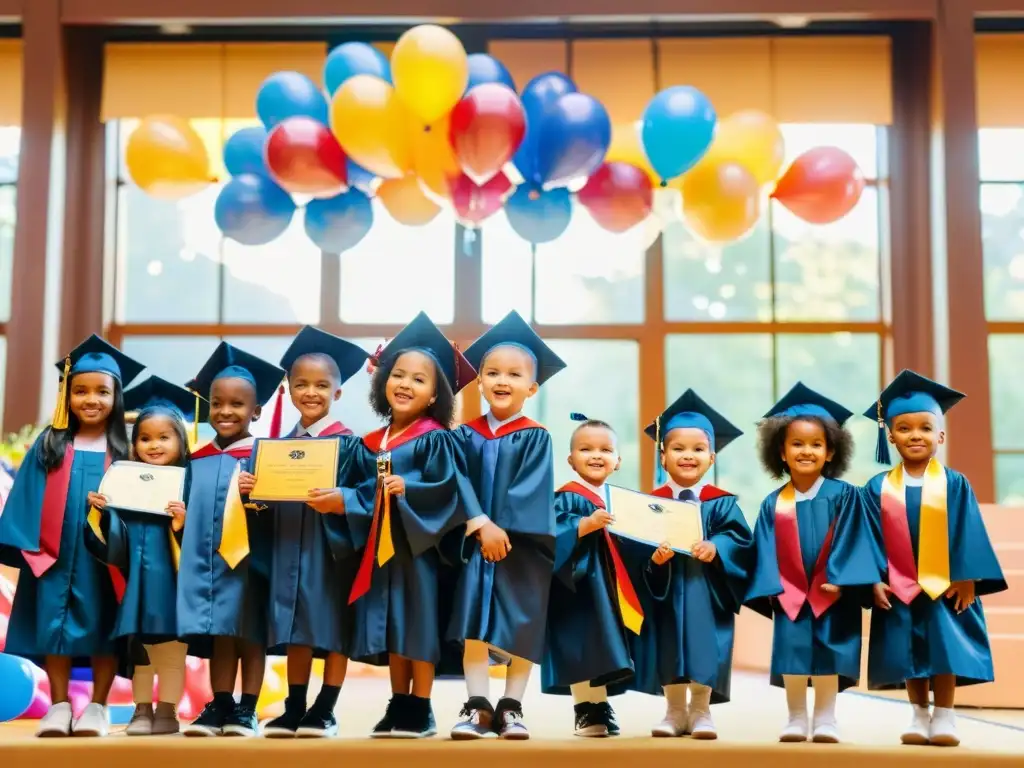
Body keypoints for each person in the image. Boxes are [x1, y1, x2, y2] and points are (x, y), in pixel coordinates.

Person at [341, 311, 481, 739]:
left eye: (419, 380)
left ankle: (421, 706)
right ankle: (398, 701)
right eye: (398, 374)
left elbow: (448, 488)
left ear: (436, 394)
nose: (405, 384)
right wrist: (346, 500)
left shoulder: (436, 437)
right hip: (380, 549)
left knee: (416, 625)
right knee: (390, 625)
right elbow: (360, 491)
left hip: (417, 547)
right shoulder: (369, 442)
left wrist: (411, 488)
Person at [0, 335, 144, 737]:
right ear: (67, 395)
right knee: (53, 626)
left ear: (117, 397)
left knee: (104, 625)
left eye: (102, 391)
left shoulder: (126, 449)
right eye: (80, 390)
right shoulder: (50, 443)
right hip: (55, 553)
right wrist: (31, 547)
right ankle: (60, 705)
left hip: (106, 556)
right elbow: (27, 493)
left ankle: (98, 706)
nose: (91, 399)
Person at [861, 370, 1005, 747]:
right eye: (904, 428)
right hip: (899, 584)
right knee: (910, 650)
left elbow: (968, 530)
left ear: (940, 435)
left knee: (944, 648)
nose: (915, 436)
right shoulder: (876, 488)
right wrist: (873, 577)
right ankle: (918, 713)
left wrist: (968, 577)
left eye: (925, 428)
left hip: (946, 584)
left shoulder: (954, 483)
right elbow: (868, 538)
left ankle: (945, 716)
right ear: (890, 435)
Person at [238, 326, 370, 739]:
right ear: (288, 389)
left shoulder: (350, 444)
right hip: (287, 548)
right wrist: (251, 495)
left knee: (331, 632)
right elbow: (264, 505)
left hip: (330, 552)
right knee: (295, 630)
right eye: (301, 384)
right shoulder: (275, 446)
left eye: (321, 385)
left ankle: (325, 710)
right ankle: (295, 707)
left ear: (338, 393)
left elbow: (369, 494)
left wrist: (345, 499)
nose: (310, 392)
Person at [447, 310, 565, 741]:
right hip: (476, 542)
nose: (502, 380)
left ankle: (512, 707)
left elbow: (530, 492)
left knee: (522, 622)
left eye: (514, 374)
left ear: (532, 387)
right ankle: (478, 707)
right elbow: (456, 483)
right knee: (474, 624)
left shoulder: (536, 435)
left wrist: (503, 531)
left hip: (523, 547)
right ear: (478, 381)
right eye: (492, 372)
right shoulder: (463, 435)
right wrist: (480, 526)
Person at [746, 383, 879, 745]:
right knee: (792, 652)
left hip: (833, 591)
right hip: (789, 593)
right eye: (797, 444)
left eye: (816, 444)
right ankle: (795, 717)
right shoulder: (773, 503)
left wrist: (845, 579)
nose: (807, 451)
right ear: (782, 452)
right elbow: (764, 547)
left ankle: (825, 718)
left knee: (832, 653)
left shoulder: (846, 495)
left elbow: (857, 537)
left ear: (831, 451)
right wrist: (772, 587)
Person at [621, 389, 754, 740]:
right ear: (662, 456)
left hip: (705, 591)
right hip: (664, 591)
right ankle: (674, 710)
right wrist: (653, 558)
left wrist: (717, 546)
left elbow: (740, 540)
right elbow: (632, 550)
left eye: (698, 449)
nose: (688, 456)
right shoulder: (651, 503)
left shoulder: (722, 504)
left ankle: (701, 711)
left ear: (711, 457)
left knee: (704, 644)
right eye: (678, 448)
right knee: (667, 643)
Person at [84, 375, 204, 736]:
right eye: (144, 438)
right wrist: (100, 512)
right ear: (133, 445)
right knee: (140, 653)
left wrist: (183, 523)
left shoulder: (190, 482)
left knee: (171, 651)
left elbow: (206, 540)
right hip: (137, 584)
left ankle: (167, 710)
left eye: (164, 437)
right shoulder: (123, 481)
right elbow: (111, 541)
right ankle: (141, 710)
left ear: (181, 442)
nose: (153, 445)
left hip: (174, 584)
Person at [177, 342, 285, 737]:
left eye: (237, 405)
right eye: (217, 403)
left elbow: (281, 512)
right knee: (220, 634)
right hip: (208, 565)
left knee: (250, 635)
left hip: (252, 562)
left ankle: (247, 709)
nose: (225, 411)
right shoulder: (197, 459)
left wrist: (260, 493)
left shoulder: (265, 455)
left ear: (256, 411)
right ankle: (221, 702)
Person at [541, 413, 635, 738]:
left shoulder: (620, 499)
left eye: (605, 450)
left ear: (618, 461)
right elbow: (552, 534)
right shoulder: (566, 496)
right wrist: (583, 525)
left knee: (603, 646)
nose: (596, 455)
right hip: (577, 585)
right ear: (571, 459)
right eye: (586, 449)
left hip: (608, 587)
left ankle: (601, 704)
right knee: (581, 644)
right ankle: (584, 708)